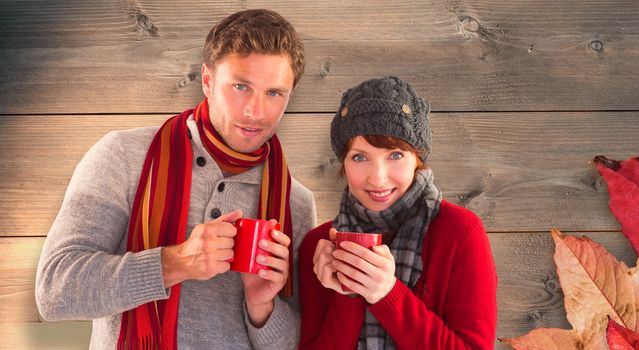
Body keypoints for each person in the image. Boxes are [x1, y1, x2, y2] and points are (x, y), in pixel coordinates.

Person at [35, 9, 316, 349]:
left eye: (274, 93)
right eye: (241, 86)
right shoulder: (123, 156)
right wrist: (174, 263)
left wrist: (262, 307)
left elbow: (298, 344)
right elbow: (54, 292)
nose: (255, 112)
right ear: (207, 81)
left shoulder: (295, 204)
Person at [298, 76, 498, 349]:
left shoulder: (459, 233)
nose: (377, 179)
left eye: (395, 155)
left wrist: (388, 295)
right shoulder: (319, 247)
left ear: (418, 158)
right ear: (343, 163)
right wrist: (348, 293)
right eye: (359, 157)